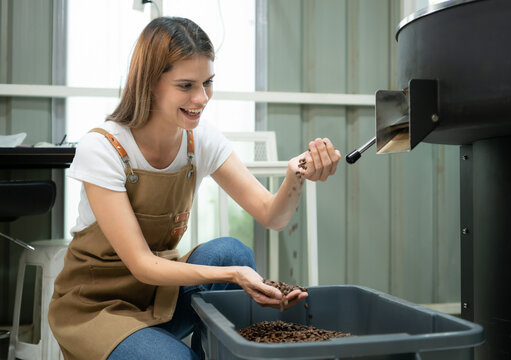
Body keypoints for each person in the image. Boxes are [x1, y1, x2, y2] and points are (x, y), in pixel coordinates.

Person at [48, 16, 341, 360]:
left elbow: (272, 216)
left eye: (208, 83)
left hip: (161, 298)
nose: (201, 98)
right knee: (226, 275)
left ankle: (202, 352)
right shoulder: (104, 148)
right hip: (98, 311)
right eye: (186, 85)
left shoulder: (199, 139)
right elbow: (142, 265)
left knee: (232, 251)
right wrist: (234, 275)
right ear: (150, 84)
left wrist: (296, 176)